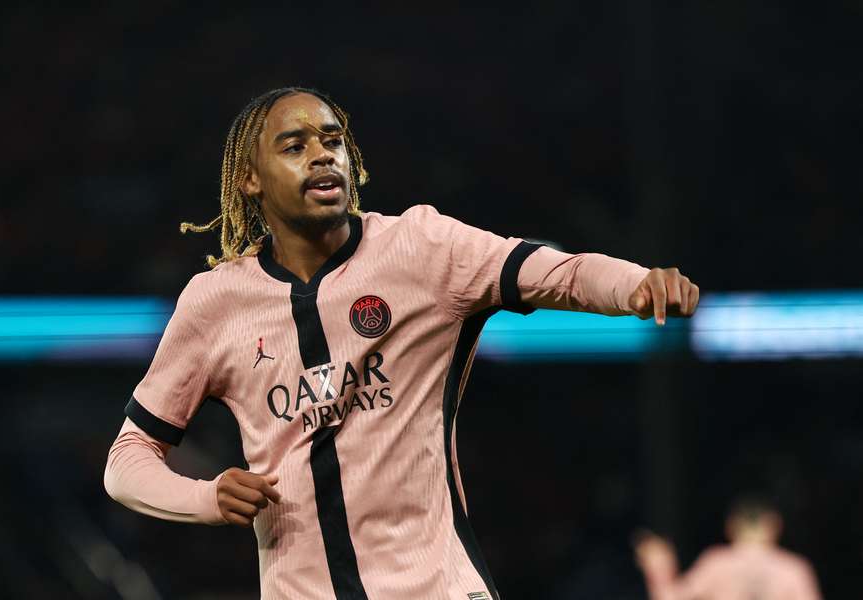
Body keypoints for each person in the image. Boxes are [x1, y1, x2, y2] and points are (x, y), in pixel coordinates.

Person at [103, 86, 699, 600]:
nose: (322, 157)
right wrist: (207, 497)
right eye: (295, 146)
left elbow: (556, 272)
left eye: (332, 141)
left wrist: (637, 284)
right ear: (250, 179)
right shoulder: (214, 303)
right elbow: (127, 462)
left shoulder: (422, 248)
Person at [634, 496, 822, 600]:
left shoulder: (717, 562)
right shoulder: (793, 569)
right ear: (774, 526)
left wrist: (659, 567)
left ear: (731, 527)